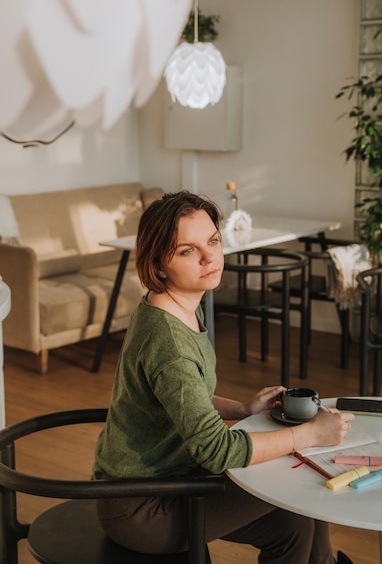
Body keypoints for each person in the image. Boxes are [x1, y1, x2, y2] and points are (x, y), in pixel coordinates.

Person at [93, 190, 355, 564]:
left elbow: (179, 398)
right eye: (187, 250)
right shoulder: (168, 340)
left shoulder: (175, 306)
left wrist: (241, 407)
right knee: (299, 485)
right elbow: (215, 452)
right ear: (158, 264)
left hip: (173, 481)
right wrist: (309, 434)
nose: (209, 256)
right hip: (144, 507)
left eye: (213, 240)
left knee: (296, 523)